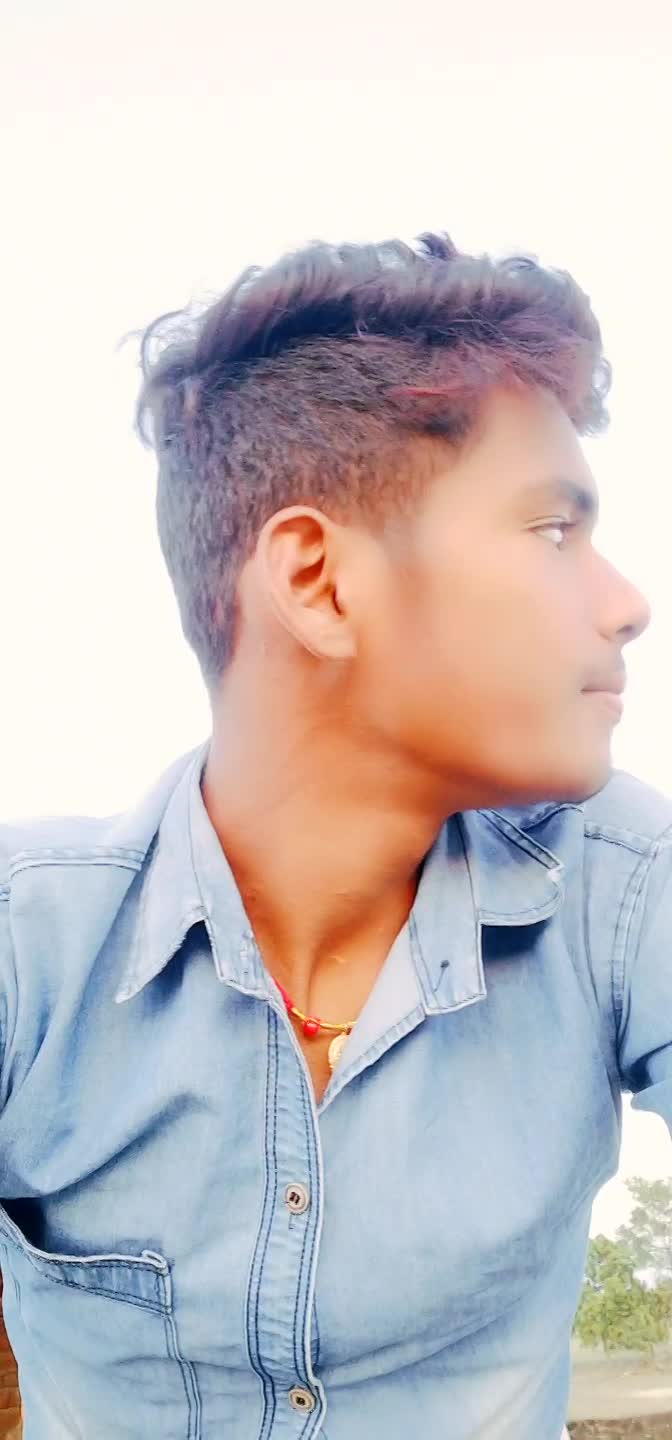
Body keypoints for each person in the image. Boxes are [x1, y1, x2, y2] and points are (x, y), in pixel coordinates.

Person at [0, 231, 668, 1440]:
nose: (627, 604)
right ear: (316, 580)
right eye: (551, 531)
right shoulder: (29, 944)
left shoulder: (621, 891)